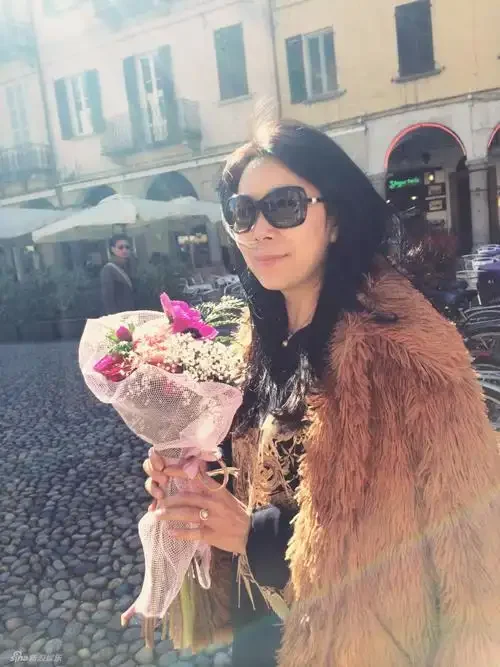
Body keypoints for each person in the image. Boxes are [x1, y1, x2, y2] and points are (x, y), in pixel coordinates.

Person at [142, 120, 500, 666]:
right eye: (242, 212)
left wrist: (254, 537)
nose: (259, 230)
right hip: (259, 634)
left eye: (285, 206)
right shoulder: (258, 343)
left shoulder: (409, 358)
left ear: (334, 219)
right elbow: (261, 481)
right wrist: (193, 479)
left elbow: (473, 562)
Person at [100, 234, 135, 315]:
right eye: (120, 247)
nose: (124, 250)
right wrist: (114, 318)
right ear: (113, 249)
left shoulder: (128, 267)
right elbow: (108, 299)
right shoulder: (108, 269)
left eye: (127, 247)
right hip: (119, 317)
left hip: (130, 314)